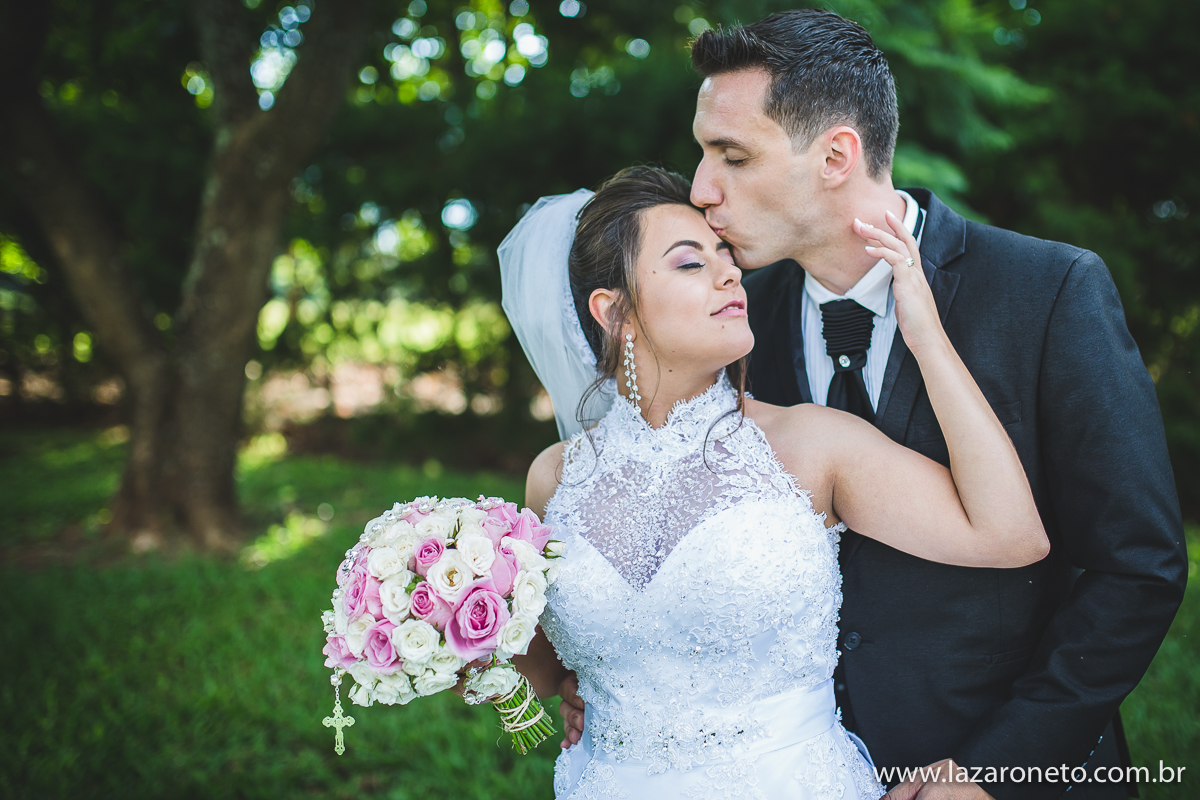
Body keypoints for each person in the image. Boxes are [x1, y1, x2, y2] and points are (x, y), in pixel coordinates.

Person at [554, 11, 1188, 800]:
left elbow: (1138, 566)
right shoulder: (727, 325)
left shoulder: (1047, 291)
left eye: (732, 154)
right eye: (702, 152)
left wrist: (998, 769)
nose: (702, 188)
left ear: (836, 155)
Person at [500, 164, 1048, 799]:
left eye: (726, 256)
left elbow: (1011, 535)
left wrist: (924, 333)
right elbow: (544, 669)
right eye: (689, 263)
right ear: (614, 311)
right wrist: (452, 630)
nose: (729, 273)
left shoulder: (811, 444)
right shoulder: (556, 477)